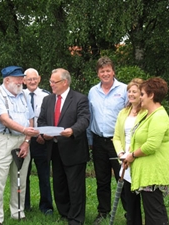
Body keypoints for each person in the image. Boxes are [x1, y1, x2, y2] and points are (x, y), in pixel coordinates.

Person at [0, 66, 40, 225]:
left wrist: (26, 141)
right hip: (2, 140)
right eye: (17, 78)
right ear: (7, 80)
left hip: (22, 140)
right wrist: (25, 130)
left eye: (21, 78)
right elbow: (4, 120)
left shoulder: (23, 95)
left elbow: (30, 118)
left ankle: (18, 212)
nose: (21, 81)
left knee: (21, 179)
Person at [37, 68, 90, 225]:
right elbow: (41, 121)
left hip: (73, 149)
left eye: (54, 82)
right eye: (51, 82)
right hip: (54, 149)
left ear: (65, 82)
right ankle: (65, 213)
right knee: (59, 185)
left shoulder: (80, 99)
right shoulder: (48, 100)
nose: (51, 84)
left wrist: (72, 130)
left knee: (75, 187)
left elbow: (84, 120)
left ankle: (76, 218)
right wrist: (43, 133)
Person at [124, 77, 169, 225]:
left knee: (155, 215)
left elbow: (151, 145)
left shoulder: (159, 116)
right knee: (153, 213)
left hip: (153, 172)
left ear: (151, 95)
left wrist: (132, 155)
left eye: (142, 94)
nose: (140, 97)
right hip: (146, 172)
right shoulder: (147, 114)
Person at [86, 56, 128, 224]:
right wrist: (90, 140)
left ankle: (129, 213)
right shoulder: (92, 92)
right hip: (98, 141)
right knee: (101, 179)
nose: (105, 74)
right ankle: (103, 212)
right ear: (98, 74)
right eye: (102, 71)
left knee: (123, 178)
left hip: (117, 143)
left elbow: (130, 115)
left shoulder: (124, 90)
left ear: (113, 72)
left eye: (108, 70)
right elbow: (90, 118)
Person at [113, 78, 147, 225]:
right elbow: (116, 137)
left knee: (146, 199)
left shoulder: (147, 113)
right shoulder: (123, 112)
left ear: (142, 94)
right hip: (125, 161)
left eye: (135, 91)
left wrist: (132, 155)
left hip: (140, 159)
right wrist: (121, 154)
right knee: (130, 200)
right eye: (129, 91)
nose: (131, 94)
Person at [23, 68, 53, 214]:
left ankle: (46, 206)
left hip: (41, 141)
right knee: (23, 175)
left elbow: (51, 117)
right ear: (24, 81)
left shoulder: (47, 96)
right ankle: (24, 205)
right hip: (23, 142)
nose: (32, 81)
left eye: (35, 78)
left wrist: (43, 134)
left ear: (39, 79)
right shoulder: (19, 96)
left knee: (44, 175)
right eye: (29, 79)